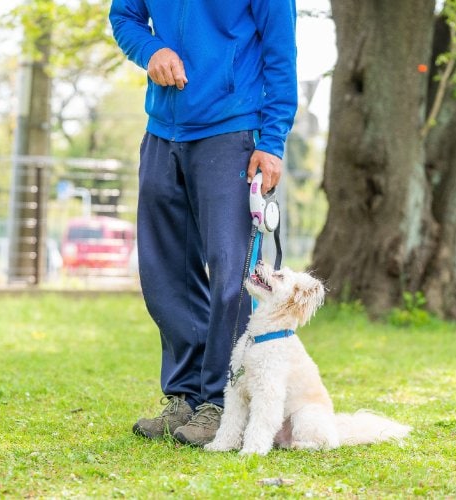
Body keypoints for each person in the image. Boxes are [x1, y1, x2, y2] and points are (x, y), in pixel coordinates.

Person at [109, 0, 298, 446]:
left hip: (231, 132)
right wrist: (151, 50)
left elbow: (280, 56)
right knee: (164, 271)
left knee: (231, 274)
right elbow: (125, 17)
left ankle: (220, 402)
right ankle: (184, 396)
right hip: (161, 131)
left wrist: (271, 142)